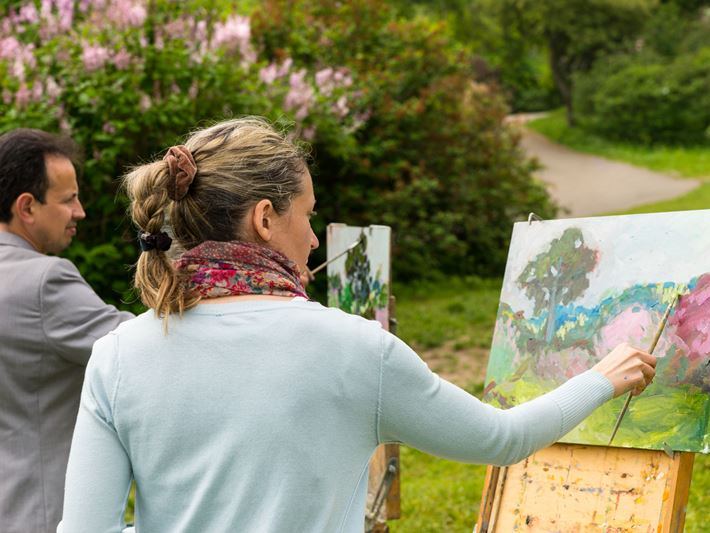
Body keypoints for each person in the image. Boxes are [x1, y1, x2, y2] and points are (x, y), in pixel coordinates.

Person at [60, 118, 656, 532]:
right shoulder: (353, 349)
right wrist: (604, 375)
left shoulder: (117, 355)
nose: (315, 238)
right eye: (308, 215)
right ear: (265, 218)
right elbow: (499, 441)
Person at [0, 128, 134, 533]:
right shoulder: (43, 282)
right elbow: (137, 350)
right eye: (68, 199)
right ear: (26, 207)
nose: (80, 211)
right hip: (37, 514)